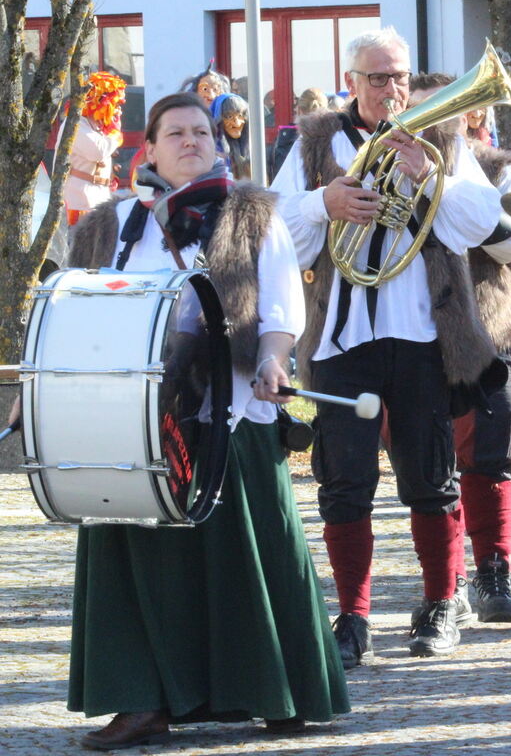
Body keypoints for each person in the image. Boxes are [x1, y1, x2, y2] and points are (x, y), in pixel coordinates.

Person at [62, 91, 347, 750]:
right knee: (132, 560)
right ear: (151, 148)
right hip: (127, 426)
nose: (190, 140)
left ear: (217, 145)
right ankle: (139, 703)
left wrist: (276, 362)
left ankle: (276, 687)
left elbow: (281, 311)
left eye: (200, 131)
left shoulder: (251, 216)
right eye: (175, 132)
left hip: (230, 413)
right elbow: (74, 318)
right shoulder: (108, 225)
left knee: (255, 549)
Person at [271, 27, 511, 662]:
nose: (391, 89)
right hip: (341, 333)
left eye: (400, 77)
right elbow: (278, 239)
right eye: (377, 78)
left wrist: (432, 181)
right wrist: (323, 203)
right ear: (351, 81)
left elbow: (480, 225)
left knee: (430, 478)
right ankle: (353, 616)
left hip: (421, 335)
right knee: (344, 482)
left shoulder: (441, 134)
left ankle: (440, 603)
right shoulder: (313, 142)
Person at [408, 72, 511, 623]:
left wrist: (443, 187)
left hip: (487, 329)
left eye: (438, 113)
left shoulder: (496, 169)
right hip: (416, 333)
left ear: (465, 117)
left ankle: (493, 572)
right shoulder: (382, 164)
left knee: (490, 459)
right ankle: (448, 582)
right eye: (413, 113)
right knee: (431, 463)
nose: (423, 125)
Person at [63, 71, 125, 226]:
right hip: (80, 203)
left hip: (98, 200)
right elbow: (97, 152)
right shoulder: (76, 123)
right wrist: (115, 133)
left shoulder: (96, 126)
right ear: (101, 101)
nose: (119, 110)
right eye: (116, 104)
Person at [210, 93, 251, 181]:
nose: (237, 123)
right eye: (229, 117)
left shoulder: (252, 151)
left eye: (240, 116)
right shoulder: (212, 156)